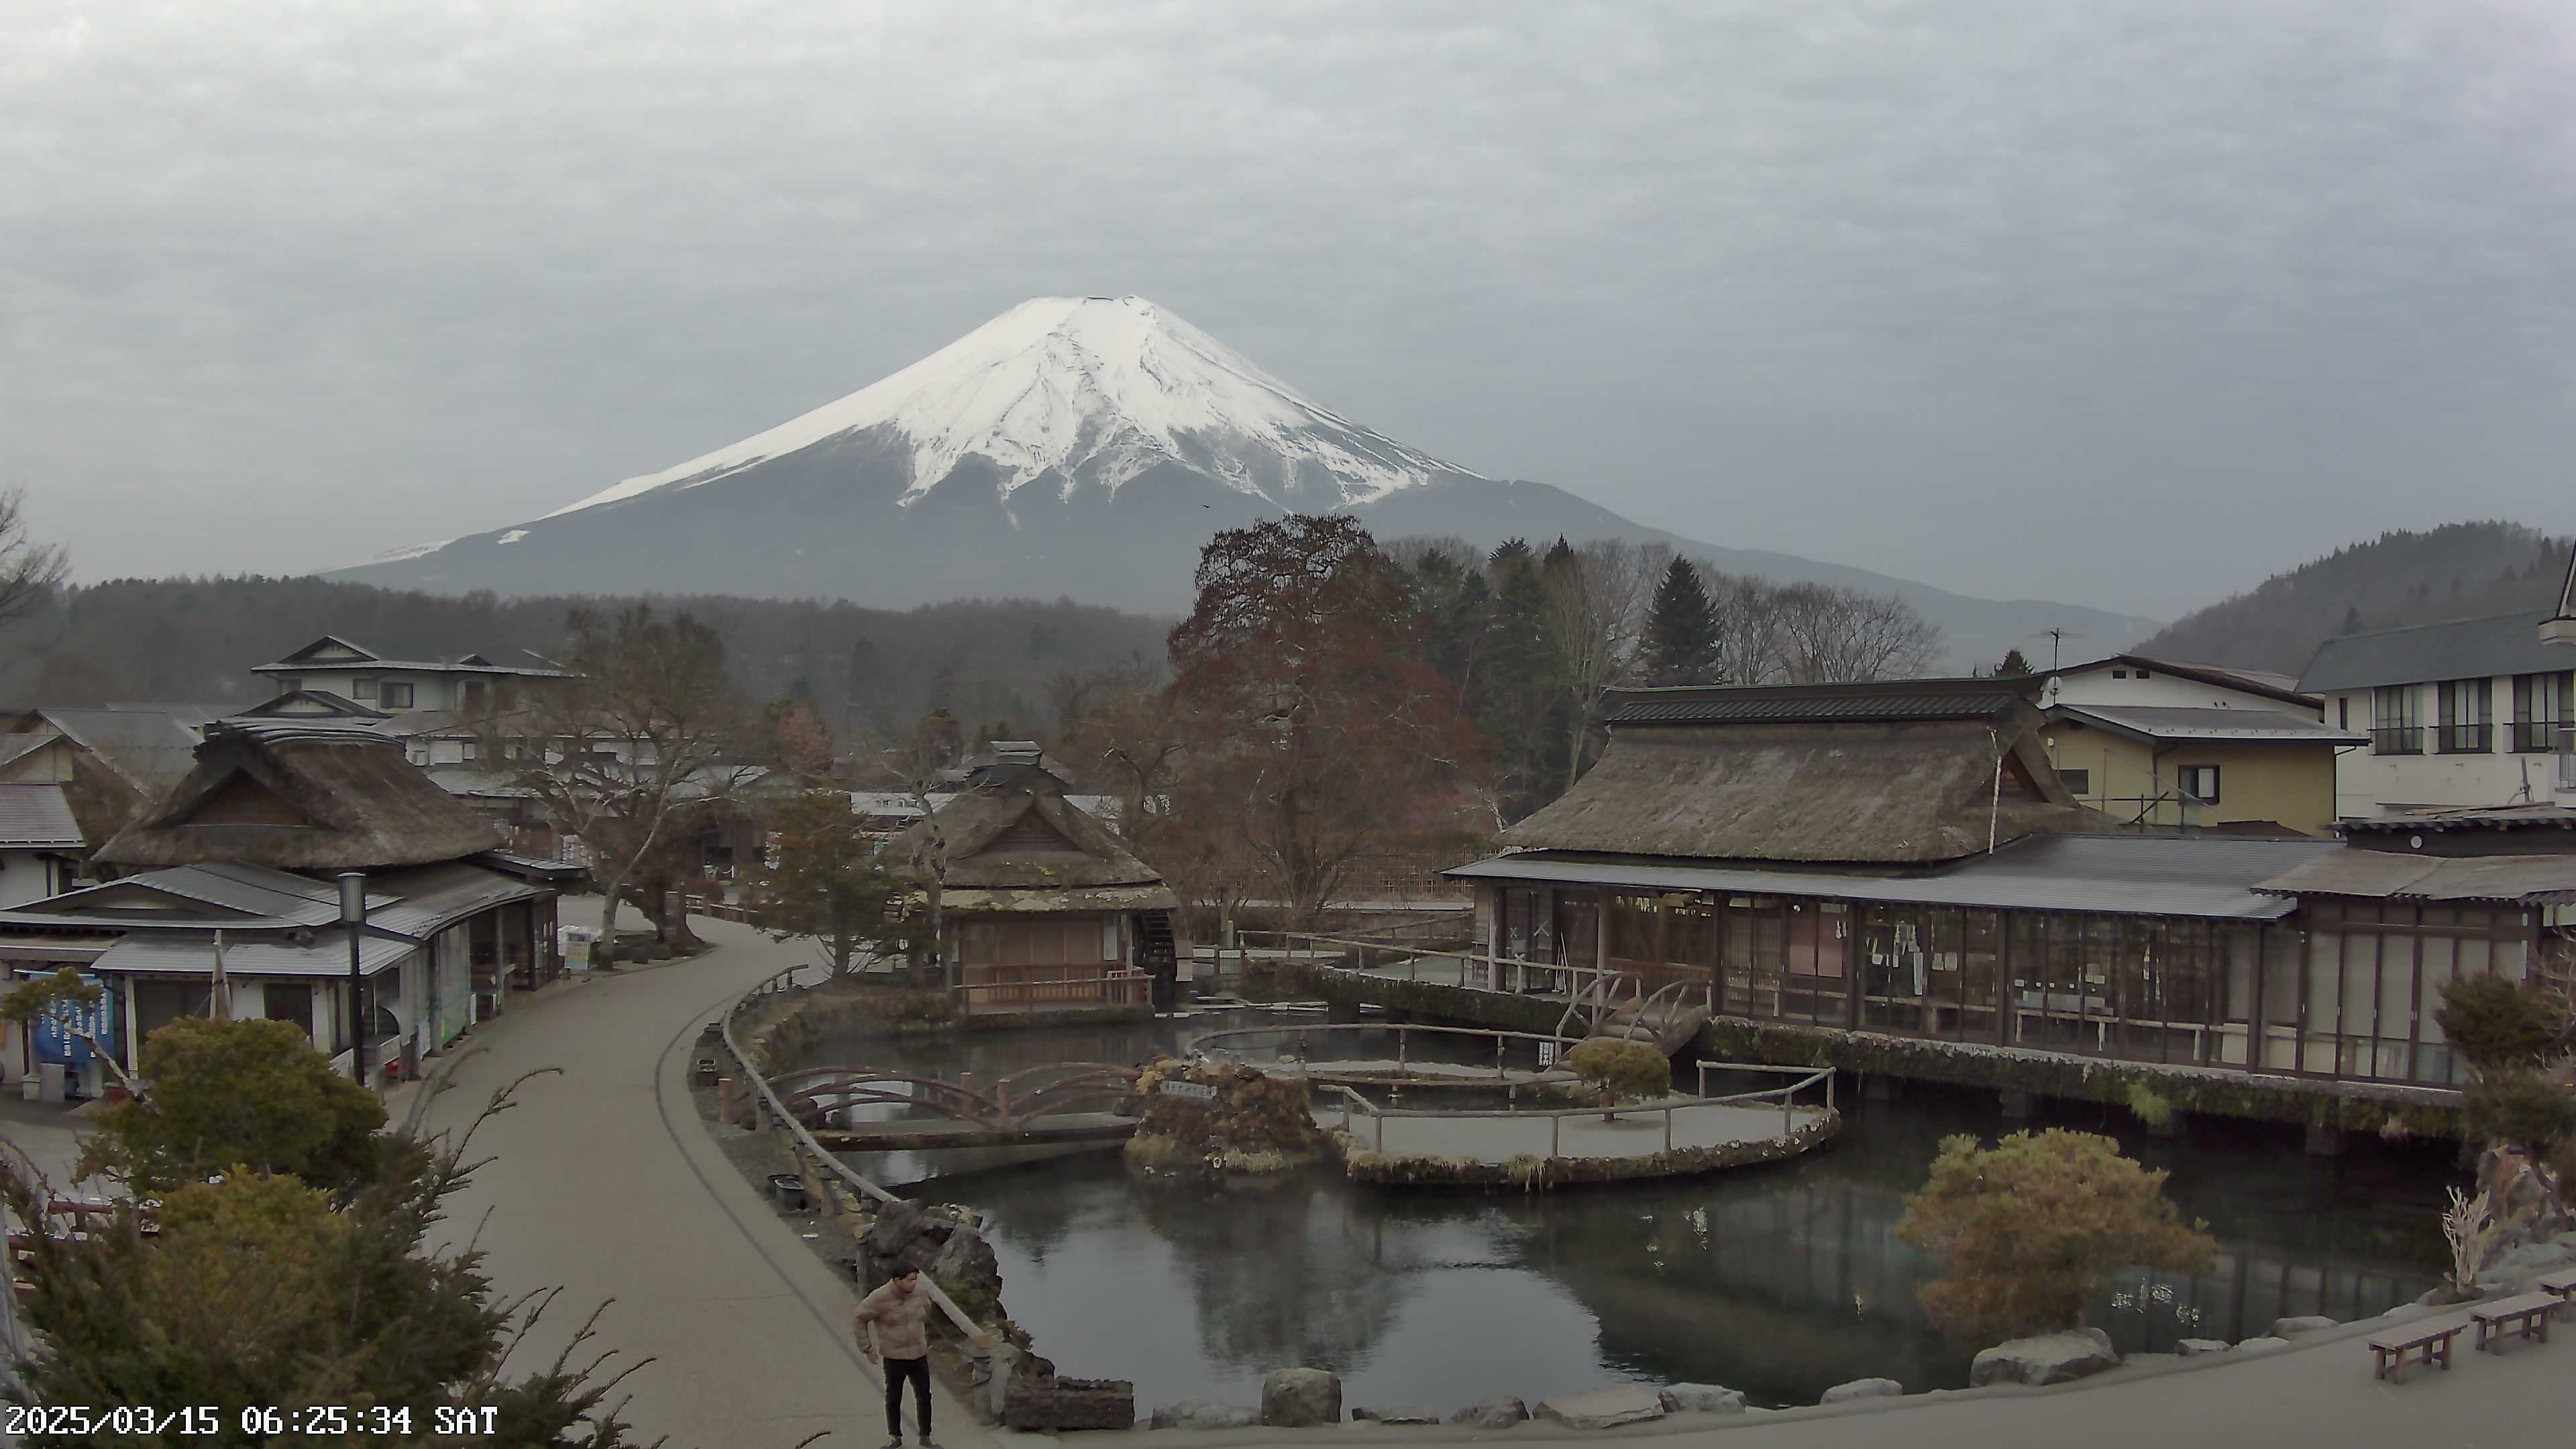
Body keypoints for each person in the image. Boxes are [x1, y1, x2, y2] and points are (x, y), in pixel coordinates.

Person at [855, 1267, 937, 1449]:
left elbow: (926, 1311)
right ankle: (894, 1437)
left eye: (916, 1279)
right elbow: (860, 1318)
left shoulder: (920, 1292)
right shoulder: (879, 1298)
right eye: (910, 1280)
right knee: (894, 1397)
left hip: (918, 1354)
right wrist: (867, 1348)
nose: (914, 1283)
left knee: (924, 1396)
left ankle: (926, 1436)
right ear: (897, 1280)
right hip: (894, 1356)